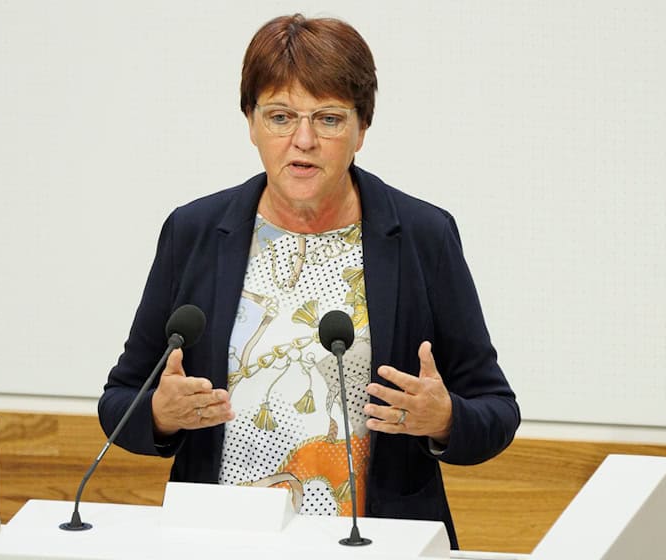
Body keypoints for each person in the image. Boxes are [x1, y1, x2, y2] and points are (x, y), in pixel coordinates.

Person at [98, 13, 519, 549]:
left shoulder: (421, 235)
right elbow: (119, 400)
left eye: (328, 119)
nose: (303, 141)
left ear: (362, 128)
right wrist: (158, 415)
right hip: (219, 538)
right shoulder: (195, 232)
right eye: (280, 116)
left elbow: (497, 411)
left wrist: (445, 419)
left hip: (376, 542)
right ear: (250, 121)